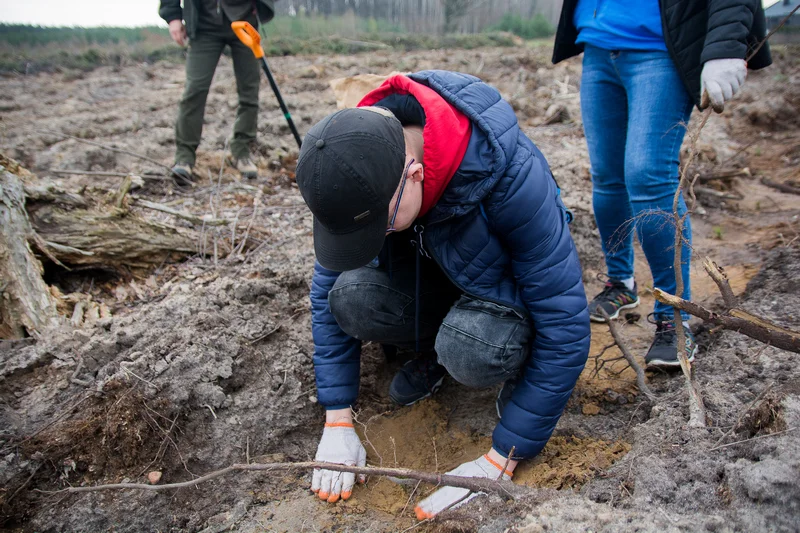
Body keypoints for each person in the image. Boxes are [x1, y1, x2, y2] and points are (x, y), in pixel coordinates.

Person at [294, 71, 591, 518]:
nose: (370, 237)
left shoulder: (510, 176)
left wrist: (501, 458)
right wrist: (337, 417)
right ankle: (433, 353)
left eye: (378, 225)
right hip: (436, 281)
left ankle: (500, 363)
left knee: (469, 349)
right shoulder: (354, 164)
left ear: (415, 172)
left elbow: (565, 322)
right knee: (349, 296)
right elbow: (323, 291)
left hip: (501, 301)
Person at [553, 0, 771, 368]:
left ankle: (675, 314)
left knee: (647, 176)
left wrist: (724, 47)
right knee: (607, 178)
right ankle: (621, 283)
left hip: (661, 50)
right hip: (599, 48)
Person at [158, 0, 276, 183]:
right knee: (194, 91)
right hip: (203, 23)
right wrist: (173, 16)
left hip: (244, 19)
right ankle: (184, 157)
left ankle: (241, 151)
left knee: (249, 92)